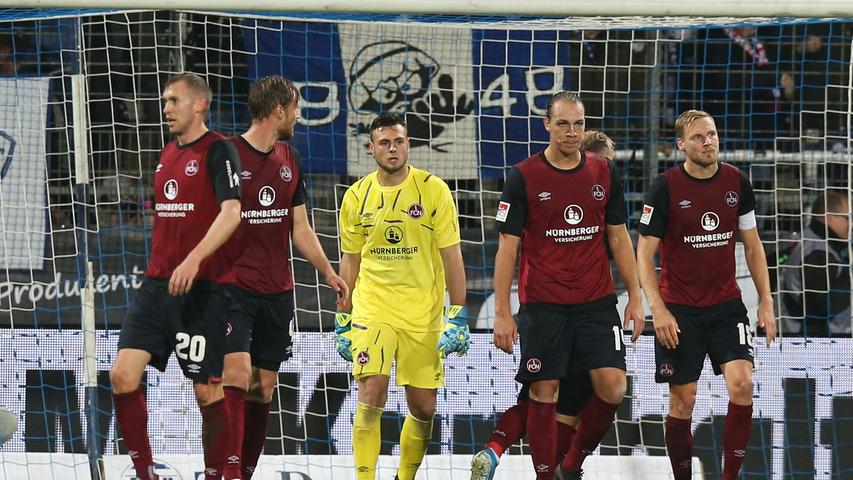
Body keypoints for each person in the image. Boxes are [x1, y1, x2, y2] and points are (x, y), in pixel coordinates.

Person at [491, 92, 644, 480]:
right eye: (563, 124)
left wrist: (636, 297)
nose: (572, 132)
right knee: (544, 394)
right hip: (544, 304)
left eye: (578, 124)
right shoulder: (524, 175)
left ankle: (570, 465)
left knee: (613, 388)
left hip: (596, 301)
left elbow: (619, 238)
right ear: (547, 125)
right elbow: (507, 247)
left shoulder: (604, 173)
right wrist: (503, 313)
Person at [109, 73, 242, 480]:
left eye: (174, 101)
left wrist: (194, 260)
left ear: (199, 104)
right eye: (164, 101)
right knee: (121, 375)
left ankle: (217, 472)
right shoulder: (167, 152)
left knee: (207, 392)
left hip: (202, 289)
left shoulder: (220, 151)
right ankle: (144, 472)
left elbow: (232, 212)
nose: (165, 108)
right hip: (156, 286)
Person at [219, 76, 349, 479]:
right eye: (294, 107)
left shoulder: (290, 157)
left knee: (263, 388)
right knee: (236, 377)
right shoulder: (225, 155)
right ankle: (229, 473)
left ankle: (244, 471)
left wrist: (328, 271)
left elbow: (300, 227)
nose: (297, 115)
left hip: (277, 292)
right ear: (278, 109)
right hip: (231, 290)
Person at [636, 109, 777, 480]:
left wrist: (766, 300)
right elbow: (643, 254)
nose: (708, 142)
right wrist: (658, 310)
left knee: (743, 385)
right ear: (682, 145)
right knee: (684, 402)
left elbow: (753, 244)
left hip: (726, 307)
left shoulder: (737, 181)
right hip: (679, 312)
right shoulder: (665, 187)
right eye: (699, 137)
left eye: (712, 134)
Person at [470, 129, 617, 480]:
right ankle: (562, 470)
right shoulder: (557, 187)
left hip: (549, 310)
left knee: (536, 398)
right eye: (606, 161)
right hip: (573, 309)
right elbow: (510, 243)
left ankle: (495, 449)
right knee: (568, 408)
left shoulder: (598, 193)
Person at [335, 112, 469, 480]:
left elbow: (452, 256)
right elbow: (350, 260)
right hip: (373, 308)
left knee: (424, 407)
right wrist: (344, 315)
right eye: (384, 143)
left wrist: (457, 313)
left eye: (399, 142)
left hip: (422, 312)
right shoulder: (356, 197)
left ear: (408, 144)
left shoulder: (433, 190)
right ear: (371, 148)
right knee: (371, 392)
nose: (392, 149)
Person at [780, 189, 851, 337]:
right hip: (811, 344)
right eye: (848, 218)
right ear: (829, 218)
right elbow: (825, 307)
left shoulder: (814, 243)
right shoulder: (817, 253)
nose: (851, 224)